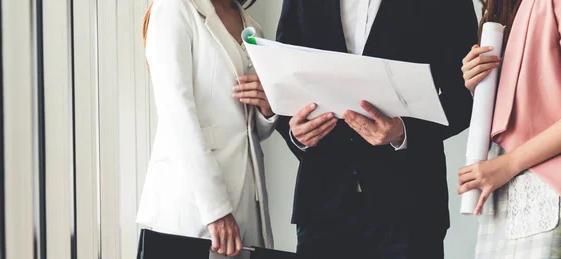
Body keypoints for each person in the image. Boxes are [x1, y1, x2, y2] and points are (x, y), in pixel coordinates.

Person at [275, 0, 478, 258]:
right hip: (322, 205)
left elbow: (467, 95)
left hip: (411, 205)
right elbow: (280, 77)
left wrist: (404, 131)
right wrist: (296, 134)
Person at [136, 0, 277, 258]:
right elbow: (176, 113)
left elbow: (251, 130)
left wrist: (267, 108)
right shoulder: (174, 8)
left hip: (248, 200)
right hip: (194, 205)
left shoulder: (251, 26)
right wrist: (216, 209)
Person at [458, 0, 561, 258]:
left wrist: (508, 164)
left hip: (544, 183)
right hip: (504, 187)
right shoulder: (503, 9)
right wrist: (477, 85)